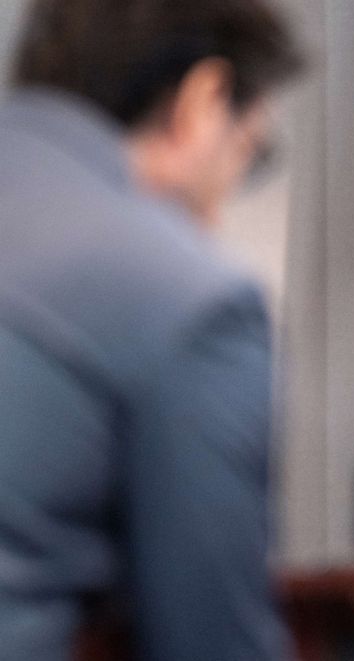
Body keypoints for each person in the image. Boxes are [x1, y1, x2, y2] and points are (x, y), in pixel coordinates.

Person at [0, 1, 302, 658]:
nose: (217, 213)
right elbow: (211, 642)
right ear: (203, 97)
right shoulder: (185, 294)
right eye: (246, 151)